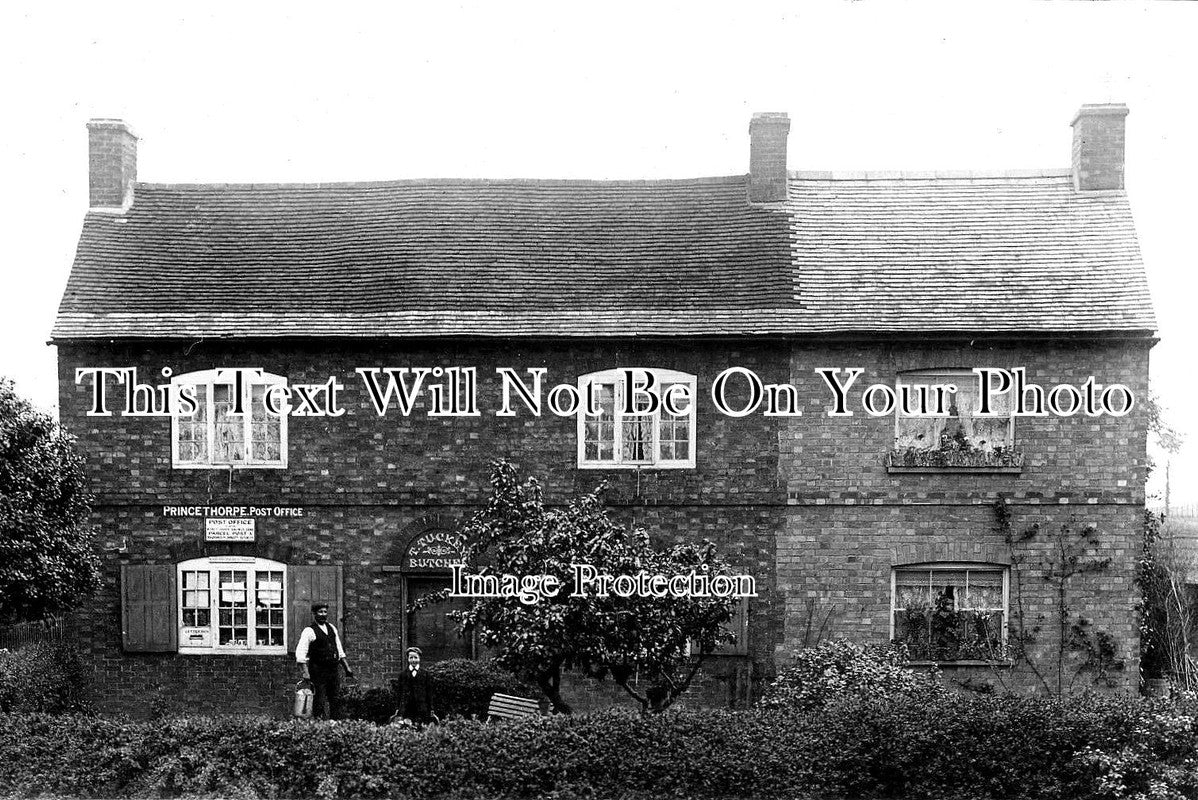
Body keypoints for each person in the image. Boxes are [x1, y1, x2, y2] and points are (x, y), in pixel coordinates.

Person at [296, 603, 354, 719]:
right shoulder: (309, 631)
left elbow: (339, 649)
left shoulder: (332, 628)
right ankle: (319, 725)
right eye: (320, 612)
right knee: (319, 699)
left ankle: (334, 723)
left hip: (332, 669)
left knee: (335, 698)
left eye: (325, 612)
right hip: (318, 671)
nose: (323, 615)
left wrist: (346, 667)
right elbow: (300, 654)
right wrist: (305, 672)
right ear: (314, 614)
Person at [393, 646, 435, 726]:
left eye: (415, 657)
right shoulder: (403, 675)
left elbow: (429, 692)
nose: (413, 660)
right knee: (407, 728)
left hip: (422, 708)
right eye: (411, 657)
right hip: (407, 708)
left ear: (419, 658)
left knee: (422, 728)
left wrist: (431, 708)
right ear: (408, 659)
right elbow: (399, 692)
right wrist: (398, 707)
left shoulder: (426, 674)